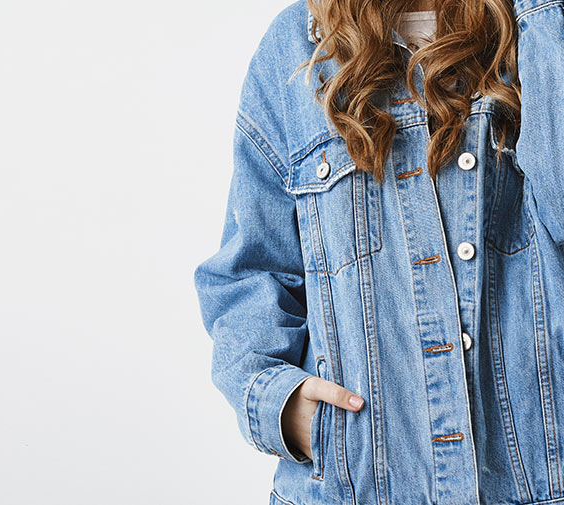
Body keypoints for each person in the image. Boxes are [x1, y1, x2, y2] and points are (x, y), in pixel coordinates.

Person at [194, 0, 564, 504]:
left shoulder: (534, 27)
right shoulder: (297, 45)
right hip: (356, 489)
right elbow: (251, 272)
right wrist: (280, 402)